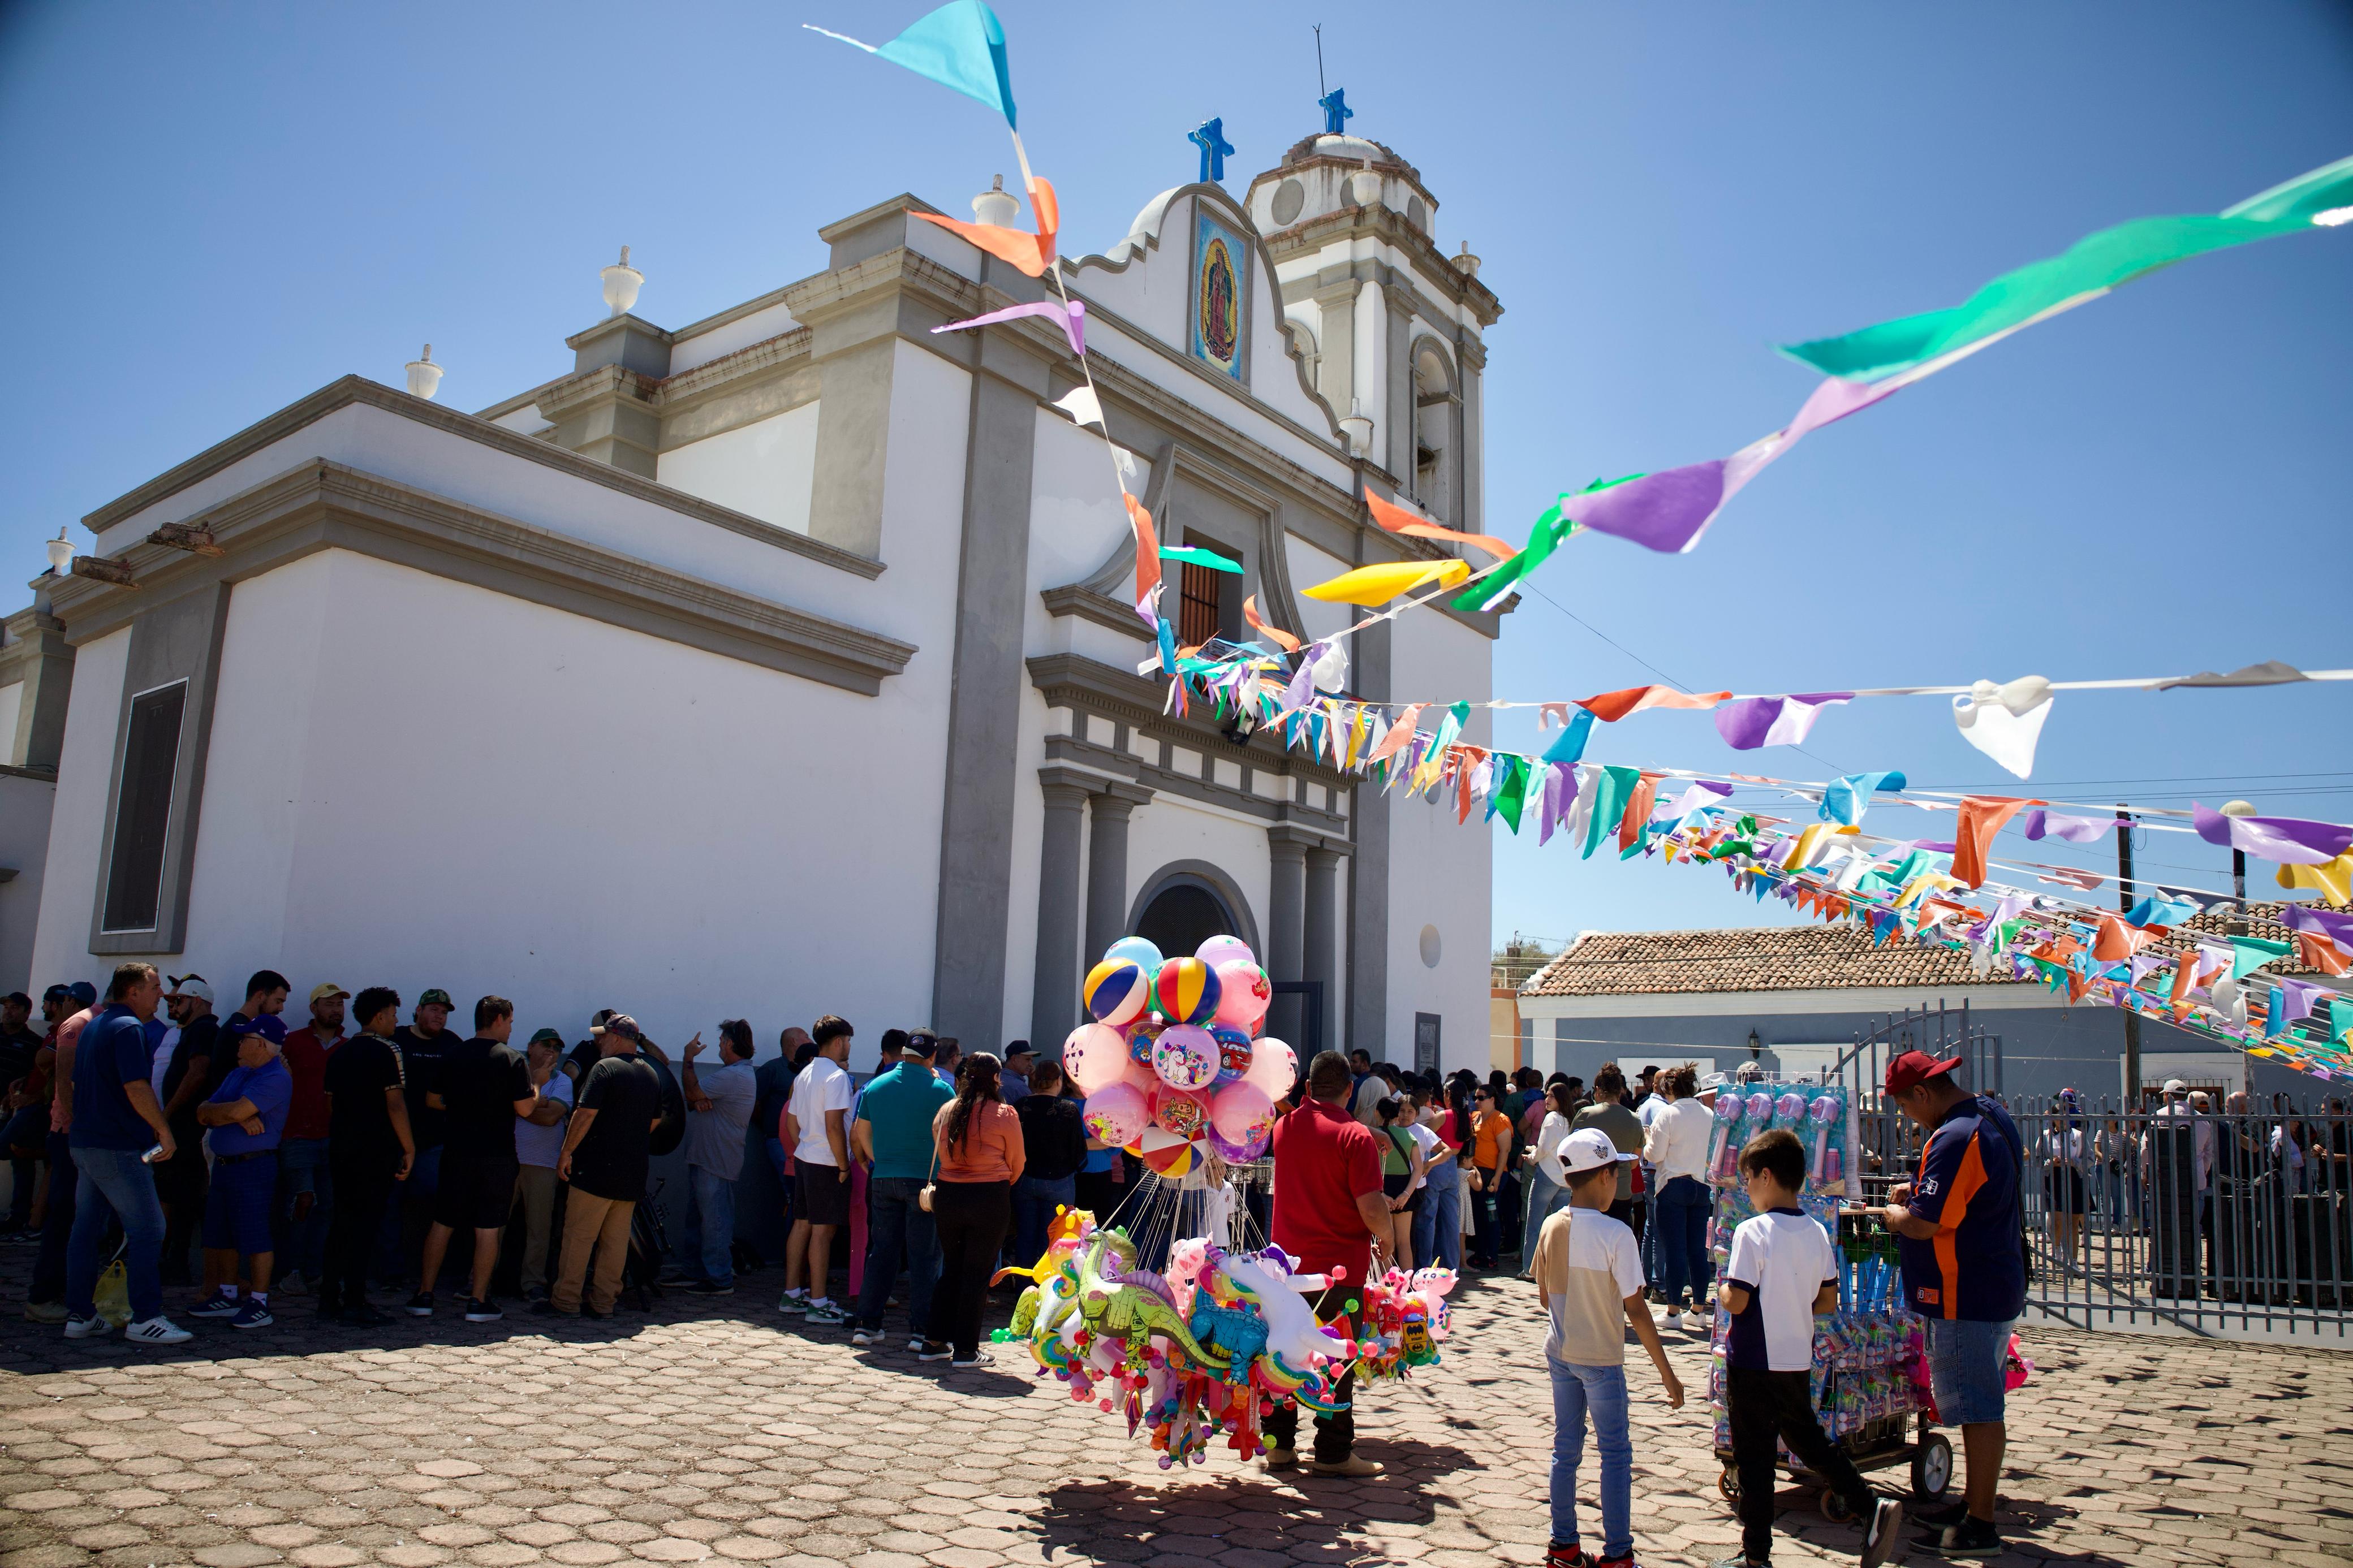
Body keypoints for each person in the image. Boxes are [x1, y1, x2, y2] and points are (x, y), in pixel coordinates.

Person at [1712, 1128, 1902, 1568]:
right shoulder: (1817, 1231)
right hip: (1796, 1355)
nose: (1747, 1190)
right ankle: (1868, 1503)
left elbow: (1738, 1299)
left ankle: (1756, 1555)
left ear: (1764, 1175)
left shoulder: (1751, 1231)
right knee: (1809, 1440)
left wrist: (1722, 1289)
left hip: (1754, 1360)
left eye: (1748, 1181)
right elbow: (1827, 1301)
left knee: (1755, 1456)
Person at [1876, 1050, 2024, 1560]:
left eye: (1904, 1107)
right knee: (1980, 1402)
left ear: (1922, 1094)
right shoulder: (1991, 1113)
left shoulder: (1956, 1136)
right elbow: (1959, 1199)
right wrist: (1916, 1194)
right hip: (1992, 1278)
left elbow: (1925, 1223)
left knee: (1980, 1408)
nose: (1906, 1119)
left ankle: (1981, 1522)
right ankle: (1974, 1503)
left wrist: (1894, 1213)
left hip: (1966, 1290)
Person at [1533, 1127, 1684, 1568]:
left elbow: (1544, 1296)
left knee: (1566, 1448)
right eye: (1615, 1173)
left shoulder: (1551, 1224)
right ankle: (1618, 1552)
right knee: (1615, 1452)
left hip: (1560, 1351)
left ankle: (1563, 1545)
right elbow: (1636, 1310)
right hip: (1601, 1358)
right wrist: (1667, 1372)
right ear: (1602, 1176)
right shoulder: (1618, 1233)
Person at [1264, 1049, 1389, 1476]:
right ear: (1350, 1089)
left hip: (1286, 1269)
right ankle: (1333, 1451)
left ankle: (1278, 1444)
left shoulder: (1285, 1128)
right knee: (1337, 1358)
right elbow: (1371, 1206)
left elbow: (1312, 1126)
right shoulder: (1356, 1137)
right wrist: (1387, 1236)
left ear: (1308, 1088)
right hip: (1339, 1268)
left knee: (1283, 1353)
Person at [61, 964, 191, 1345]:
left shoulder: (96, 1025)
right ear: (133, 991)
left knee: (85, 1230)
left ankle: (81, 1315)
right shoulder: (129, 1027)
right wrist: (164, 1129)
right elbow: (136, 1086)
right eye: (154, 987)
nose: (161, 995)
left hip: (86, 1143)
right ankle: (146, 1318)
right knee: (150, 1228)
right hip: (116, 1146)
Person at [410, 996, 536, 1322]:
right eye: (509, 1022)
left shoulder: (454, 1053)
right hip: (496, 1156)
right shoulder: (512, 1059)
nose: (510, 1029)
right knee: (488, 1229)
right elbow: (525, 1109)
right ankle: (478, 1302)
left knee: (443, 1223)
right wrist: (537, 1085)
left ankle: (424, 1295)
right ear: (497, 1020)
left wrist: (464, 1107)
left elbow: (432, 1100)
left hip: (456, 1152)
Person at [544, 1016, 662, 1318]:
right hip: (632, 1172)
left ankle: (566, 1301)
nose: (600, 1042)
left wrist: (566, 1152)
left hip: (595, 1169)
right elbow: (655, 1120)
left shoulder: (605, 1068)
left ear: (617, 1038)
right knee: (615, 1243)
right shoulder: (650, 1073)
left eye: (603, 1036)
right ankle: (604, 1303)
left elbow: (584, 1114)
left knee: (579, 1237)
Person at [187, 1014, 294, 1328]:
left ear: (261, 1044)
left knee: (256, 1235)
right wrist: (233, 1115)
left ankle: (259, 1301)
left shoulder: (275, 1077)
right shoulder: (239, 1074)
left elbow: (227, 1110)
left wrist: (230, 1113)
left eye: (245, 1038)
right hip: (224, 1166)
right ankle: (228, 1294)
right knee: (223, 1233)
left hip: (253, 1165)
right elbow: (202, 1110)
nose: (239, 1043)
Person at [852, 1031, 953, 1349]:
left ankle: (867, 1325)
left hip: (884, 1177)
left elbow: (859, 1132)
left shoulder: (876, 1086)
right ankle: (921, 1331)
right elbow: (950, 1138)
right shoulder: (942, 1089)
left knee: (882, 1251)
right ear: (933, 1057)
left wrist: (876, 1159)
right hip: (924, 1182)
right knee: (924, 1257)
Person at [923, 1051, 1024, 1368]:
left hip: (949, 1195)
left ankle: (934, 1342)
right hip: (989, 1195)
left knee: (952, 1270)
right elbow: (1017, 1163)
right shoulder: (1005, 1113)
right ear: (996, 1078)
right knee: (978, 1274)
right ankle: (967, 1349)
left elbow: (939, 1148)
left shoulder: (946, 1110)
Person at [321, 988, 415, 1323]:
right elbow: (395, 1103)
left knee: (341, 1223)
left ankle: (329, 1297)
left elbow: (330, 1105)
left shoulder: (339, 1053)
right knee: (366, 1225)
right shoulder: (388, 1050)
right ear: (379, 1017)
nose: (395, 1020)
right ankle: (356, 1300)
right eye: (392, 1014)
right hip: (376, 1151)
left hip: (342, 1147)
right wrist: (408, 1147)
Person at [25, 982, 99, 1322]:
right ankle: (46, 1296)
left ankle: (51, 1294)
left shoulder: (76, 1024)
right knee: (66, 1217)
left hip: (69, 1132)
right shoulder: (82, 1025)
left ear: (69, 1001)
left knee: (67, 1218)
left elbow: (48, 1064)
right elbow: (53, 1067)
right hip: (70, 1133)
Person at [273, 982, 347, 1298]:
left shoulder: (347, 1047)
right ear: (314, 1008)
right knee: (302, 1202)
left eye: (339, 1005)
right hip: (297, 1136)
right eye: (328, 1004)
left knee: (328, 1208)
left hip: (334, 1137)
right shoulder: (292, 1042)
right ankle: (291, 1271)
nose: (335, 1010)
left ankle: (315, 1272)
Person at [782, 1015, 857, 1324]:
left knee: (802, 1224)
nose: (850, 1047)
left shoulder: (805, 1072)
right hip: (827, 1162)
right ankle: (819, 1301)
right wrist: (842, 1165)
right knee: (823, 1232)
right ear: (838, 1041)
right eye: (849, 1041)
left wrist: (807, 1145)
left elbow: (791, 1121)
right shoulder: (838, 1077)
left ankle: (792, 1294)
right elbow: (834, 1125)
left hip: (805, 1156)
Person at [678, 1019, 757, 1295]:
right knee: (700, 1219)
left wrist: (688, 1059)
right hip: (708, 1157)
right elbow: (693, 1098)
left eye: (722, 1043)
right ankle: (695, 1272)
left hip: (716, 1160)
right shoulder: (733, 1075)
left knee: (715, 1220)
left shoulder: (732, 1076)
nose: (720, 1048)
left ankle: (719, 1278)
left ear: (732, 1044)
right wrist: (698, 1097)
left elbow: (691, 1092)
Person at [153, 973, 223, 1284]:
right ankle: (172, 1259)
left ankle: (175, 1260)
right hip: (183, 1127)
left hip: (187, 1129)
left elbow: (197, 1073)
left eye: (178, 1000)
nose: (173, 1005)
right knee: (177, 1195)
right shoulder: (190, 1030)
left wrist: (165, 1115)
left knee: (179, 1197)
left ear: (196, 1001)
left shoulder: (203, 1029)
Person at [1645, 1064, 1716, 1332]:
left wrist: (1648, 1137)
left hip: (1673, 1185)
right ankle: (1697, 1309)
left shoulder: (1668, 1114)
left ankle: (1673, 1311)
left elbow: (1655, 1155)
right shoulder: (1708, 1114)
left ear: (1670, 1088)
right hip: (1701, 1185)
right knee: (1697, 1250)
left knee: (1674, 1250)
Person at [511, 1029, 570, 1306]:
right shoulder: (515, 1072)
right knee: (492, 1224)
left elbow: (552, 1118)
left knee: (539, 1229)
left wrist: (523, 1107)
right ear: (530, 1047)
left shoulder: (563, 1081)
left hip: (544, 1163)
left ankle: (533, 1284)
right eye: (546, 1045)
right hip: (508, 1159)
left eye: (557, 1048)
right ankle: (479, 1281)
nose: (552, 1051)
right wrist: (538, 1103)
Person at [1572, 1066, 1645, 1226]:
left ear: (1598, 1090)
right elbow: (1634, 1163)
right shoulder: (1634, 1119)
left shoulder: (1585, 1115)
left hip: (1589, 1191)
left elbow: (1571, 1153)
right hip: (1622, 1190)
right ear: (1620, 1091)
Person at [1519, 1082, 1579, 1275]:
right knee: (1561, 1227)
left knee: (1535, 1222)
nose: (1547, 1100)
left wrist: (1531, 1158)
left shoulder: (1552, 1118)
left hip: (1546, 1175)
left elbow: (1543, 1148)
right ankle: (1559, 1269)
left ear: (1560, 1099)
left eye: (1551, 1097)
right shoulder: (1570, 1120)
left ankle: (1529, 1268)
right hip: (1565, 1178)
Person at [2040, 1088, 2091, 1274]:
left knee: (2074, 1221)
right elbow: (2038, 1160)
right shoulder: (2045, 1137)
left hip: (2073, 1178)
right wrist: (2049, 1163)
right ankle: (2058, 1253)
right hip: (2055, 1178)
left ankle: (2074, 1259)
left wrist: (2075, 1162)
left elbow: (2089, 1159)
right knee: (2058, 1220)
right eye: (2058, 1117)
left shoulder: (2078, 1135)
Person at [1373, 1095, 1424, 1271]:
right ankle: (1406, 1286)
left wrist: (1381, 1194)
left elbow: (1366, 1169)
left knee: (1385, 1240)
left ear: (1376, 1113)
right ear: (1397, 1114)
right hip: (1404, 1185)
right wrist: (1406, 1194)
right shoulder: (1408, 1135)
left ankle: (1386, 1287)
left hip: (1380, 1186)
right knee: (1404, 1242)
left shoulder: (1371, 1136)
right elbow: (1419, 1168)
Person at [1466, 1085, 1512, 1268]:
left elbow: (1505, 1150)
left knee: (1491, 1216)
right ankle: (1480, 1253)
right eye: (1475, 1097)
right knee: (1478, 1215)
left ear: (1492, 1099)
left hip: (1493, 1174)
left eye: (1481, 1098)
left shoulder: (1500, 1119)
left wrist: (1498, 1176)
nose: (1477, 1101)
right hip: (1476, 1172)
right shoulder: (1475, 1117)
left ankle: (1491, 1256)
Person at [999, 1040, 1036, 1104]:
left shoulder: (997, 1077)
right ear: (1014, 1059)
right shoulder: (1018, 1087)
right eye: (1027, 1060)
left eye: (1031, 1061)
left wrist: (1032, 1079)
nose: (1031, 1065)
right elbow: (1033, 1108)